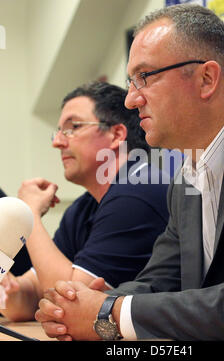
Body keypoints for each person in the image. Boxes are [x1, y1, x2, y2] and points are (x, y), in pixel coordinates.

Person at [35, 4, 224, 341]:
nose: (131, 100)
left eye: (144, 77)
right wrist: (79, 307)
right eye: (131, 82)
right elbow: (159, 283)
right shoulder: (185, 176)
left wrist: (106, 313)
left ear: (206, 79)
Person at [0, 81, 169, 322]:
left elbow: (70, 302)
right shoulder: (83, 207)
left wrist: (29, 214)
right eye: (57, 131)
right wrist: (8, 291)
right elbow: (33, 295)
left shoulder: (139, 191)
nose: (57, 142)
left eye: (72, 127)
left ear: (116, 135)